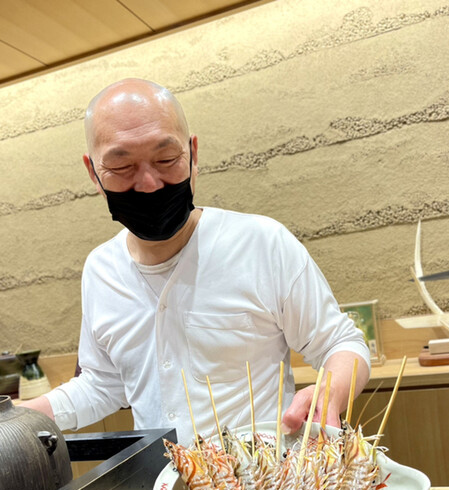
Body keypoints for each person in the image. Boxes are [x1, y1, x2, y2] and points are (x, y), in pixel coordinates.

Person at [22, 78, 370, 445]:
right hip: (161, 476)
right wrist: (16, 417)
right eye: (122, 166)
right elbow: (102, 384)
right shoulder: (100, 269)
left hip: (263, 474)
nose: (149, 184)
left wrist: (329, 393)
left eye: (166, 159)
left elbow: (341, 343)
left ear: (193, 154)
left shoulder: (261, 243)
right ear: (93, 173)